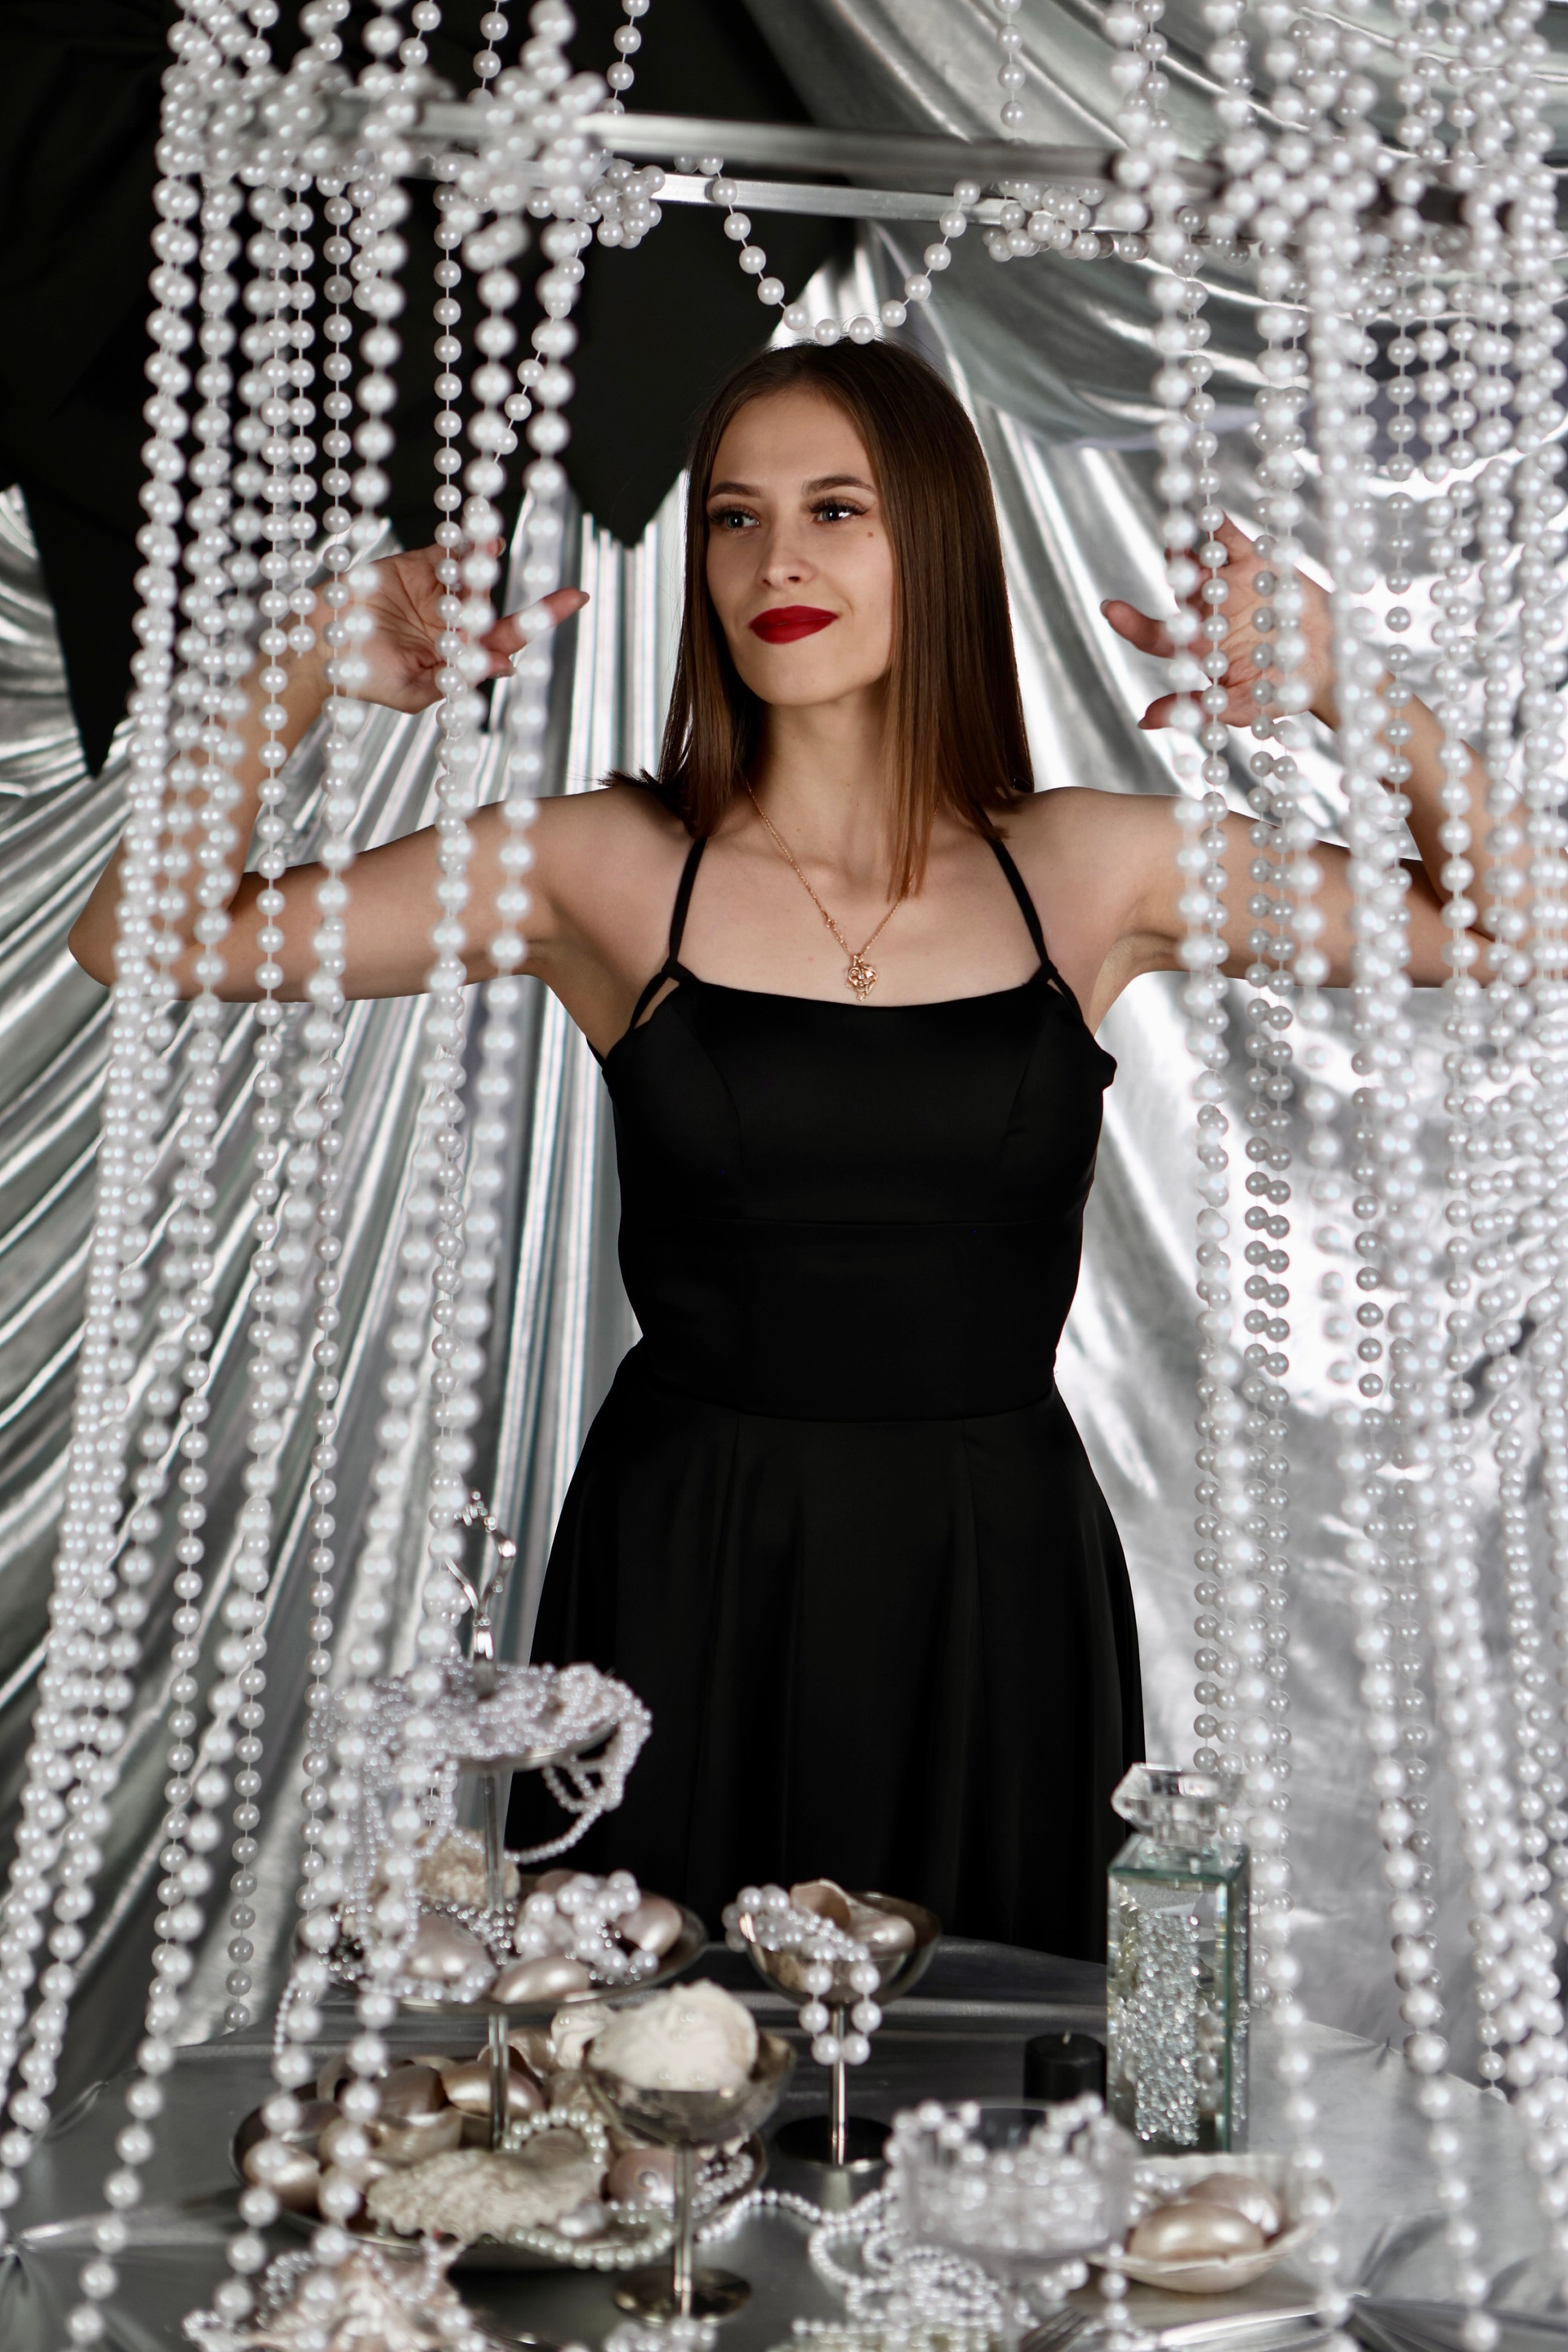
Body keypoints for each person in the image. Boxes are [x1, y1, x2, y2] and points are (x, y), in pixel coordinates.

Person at [71, 339, 1480, 1958]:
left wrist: (1351, 685)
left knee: (988, 2075)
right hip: (688, 1560)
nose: (776, 562)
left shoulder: (1091, 867)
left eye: (835, 511)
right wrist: (308, 663)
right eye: (734, 519)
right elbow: (141, 936)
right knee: (642, 2066)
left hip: (994, 1572)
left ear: (934, 544)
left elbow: (1523, 923)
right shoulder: (602, 866)